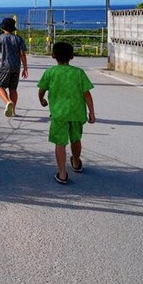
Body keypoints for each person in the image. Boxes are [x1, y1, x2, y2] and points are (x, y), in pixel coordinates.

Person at [37, 41, 97, 185]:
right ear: (72, 56)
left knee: (60, 142)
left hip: (58, 114)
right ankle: (75, 162)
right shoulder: (78, 73)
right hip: (77, 113)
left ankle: (62, 174)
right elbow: (87, 94)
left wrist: (42, 100)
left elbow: (41, 90)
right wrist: (92, 112)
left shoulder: (50, 72)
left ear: (53, 55)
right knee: (76, 139)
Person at [0, 17, 28, 117]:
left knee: (0, 86)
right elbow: (22, 54)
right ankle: (13, 111)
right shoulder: (19, 39)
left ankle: (8, 102)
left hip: (4, 66)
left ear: (3, 27)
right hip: (16, 66)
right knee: (13, 89)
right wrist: (25, 68)